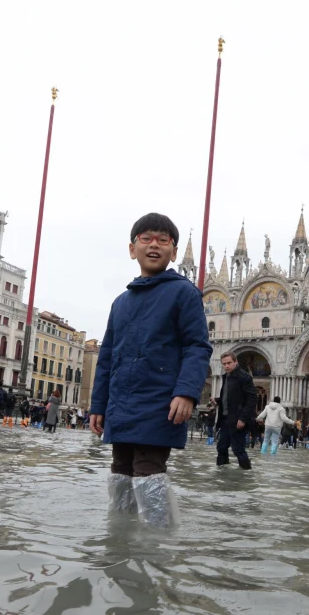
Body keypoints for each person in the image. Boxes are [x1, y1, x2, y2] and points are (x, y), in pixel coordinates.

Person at [89, 213, 211, 526]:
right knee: (120, 468)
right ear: (133, 249)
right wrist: (98, 405)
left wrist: (186, 392)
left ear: (174, 251)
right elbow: (107, 356)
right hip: (121, 403)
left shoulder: (184, 293)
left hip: (160, 401)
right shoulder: (120, 302)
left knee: (148, 469)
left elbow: (197, 347)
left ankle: (159, 542)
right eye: (146, 239)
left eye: (163, 240)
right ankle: (120, 536)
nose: (154, 245)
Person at [212, 351, 257, 470]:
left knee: (238, 449)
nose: (226, 366)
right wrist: (218, 400)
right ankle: (221, 473)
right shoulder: (226, 376)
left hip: (238, 420)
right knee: (221, 447)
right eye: (224, 364)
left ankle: (246, 473)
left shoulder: (244, 377)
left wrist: (243, 418)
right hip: (225, 419)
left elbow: (252, 399)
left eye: (229, 363)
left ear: (235, 362)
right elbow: (230, 398)